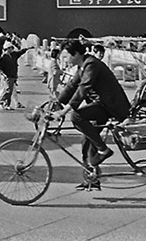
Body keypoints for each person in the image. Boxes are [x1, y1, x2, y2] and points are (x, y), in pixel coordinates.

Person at [50, 40, 131, 189]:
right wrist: (55, 103)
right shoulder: (82, 67)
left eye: (66, 56)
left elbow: (83, 88)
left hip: (110, 106)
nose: (64, 60)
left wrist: (64, 111)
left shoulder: (91, 64)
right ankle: (91, 179)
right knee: (86, 141)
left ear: (76, 54)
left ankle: (103, 149)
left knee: (76, 116)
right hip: (101, 105)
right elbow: (71, 86)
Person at [0, 42, 28, 109]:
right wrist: (3, 75)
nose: (12, 49)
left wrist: (26, 49)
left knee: (11, 91)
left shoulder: (13, 55)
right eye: (11, 48)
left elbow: (20, 52)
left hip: (13, 75)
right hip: (8, 76)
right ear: (7, 49)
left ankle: (7, 104)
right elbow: (0, 68)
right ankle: (2, 102)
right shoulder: (3, 57)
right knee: (8, 91)